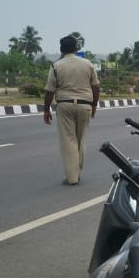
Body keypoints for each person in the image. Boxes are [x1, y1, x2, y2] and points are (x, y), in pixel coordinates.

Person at [43, 35, 100, 185]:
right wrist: (94, 106)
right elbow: (96, 87)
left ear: (61, 49)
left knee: (69, 141)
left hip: (65, 105)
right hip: (85, 105)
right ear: (76, 48)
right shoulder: (88, 64)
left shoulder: (56, 66)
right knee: (81, 140)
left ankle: (72, 178)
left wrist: (46, 110)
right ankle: (77, 172)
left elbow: (49, 91)